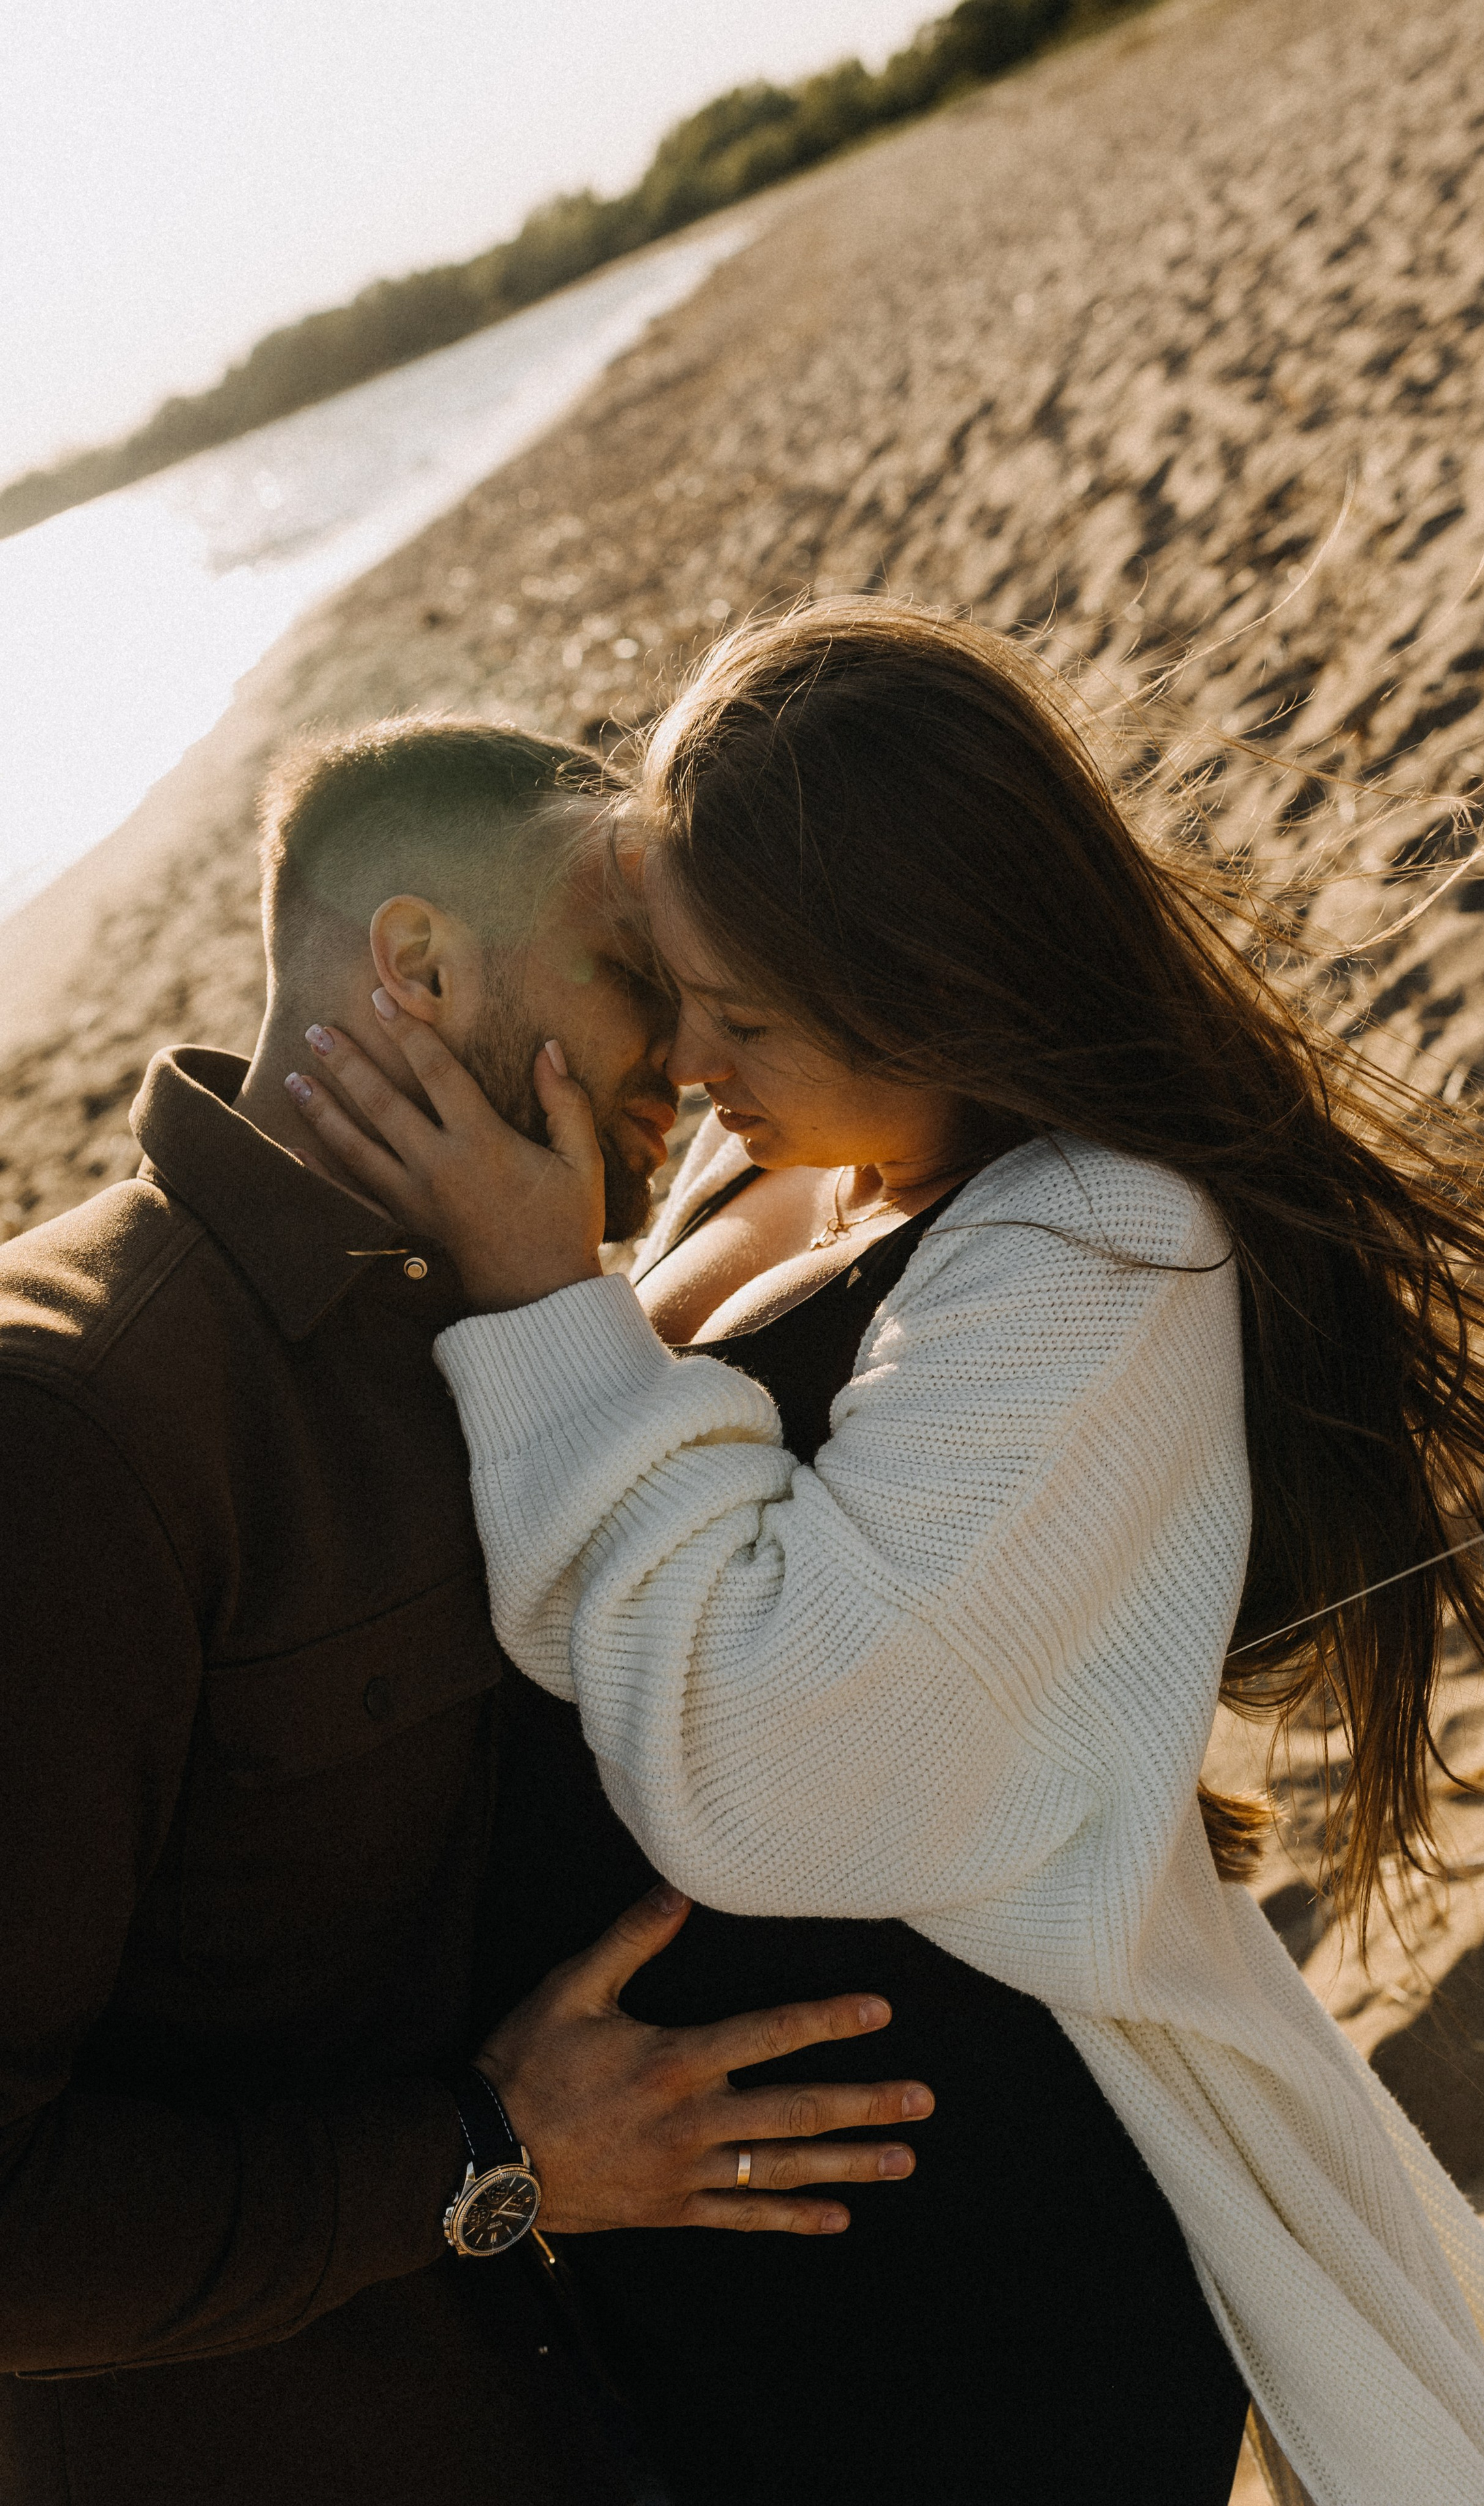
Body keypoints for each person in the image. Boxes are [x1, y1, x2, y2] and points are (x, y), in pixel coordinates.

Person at [293, 604, 1484, 2506]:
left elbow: (775, 1762)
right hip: (737, 2279)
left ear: (937, 994)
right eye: (672, 986)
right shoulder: (807, 1158)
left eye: (743, 1016)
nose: (686, 1063)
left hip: (952, 2313)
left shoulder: (1104, 1242)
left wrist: (546, 1304)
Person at [0, 715, 937, 2506]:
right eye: (627, 980)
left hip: (595, 2415)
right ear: (418, 968)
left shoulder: (519, 1313)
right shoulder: (73, 1425)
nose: (685, 1051)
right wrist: (487, 2155)